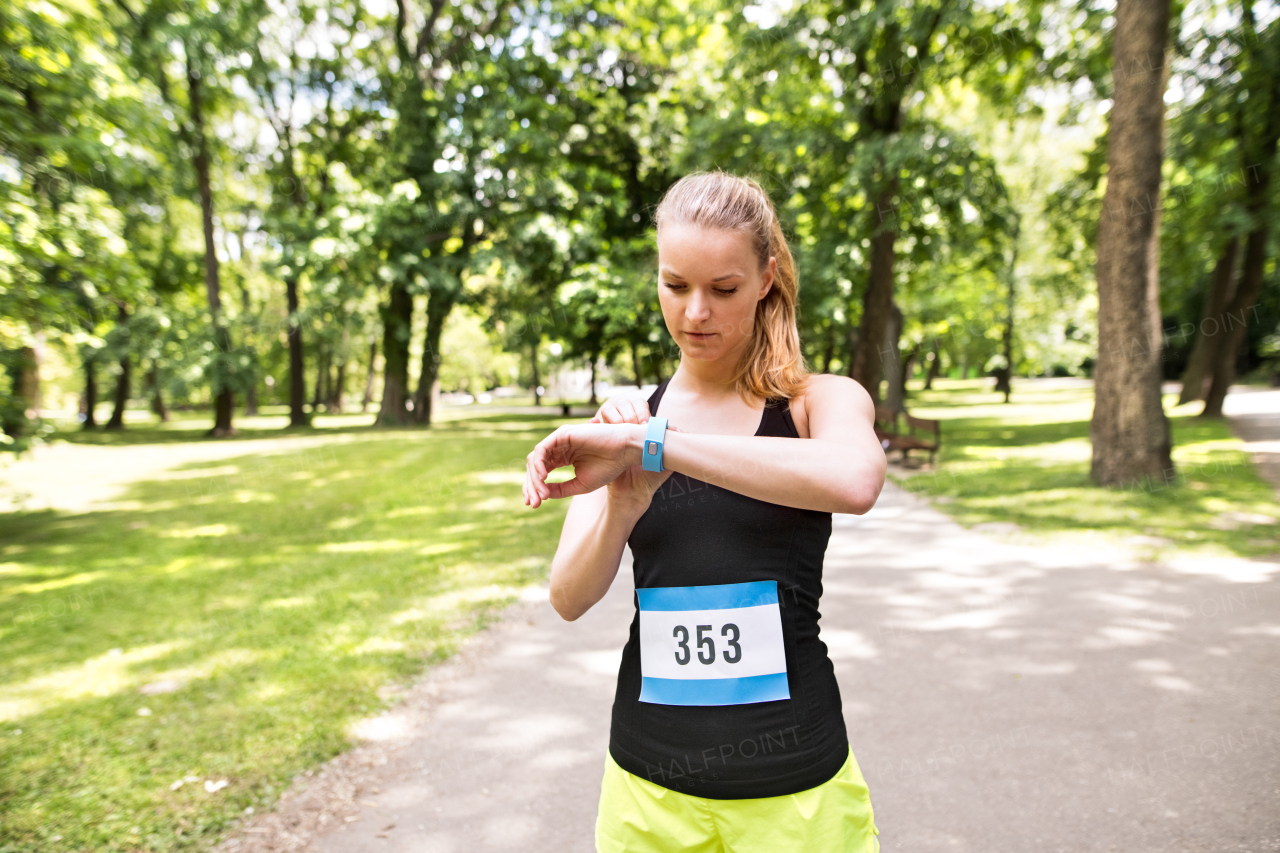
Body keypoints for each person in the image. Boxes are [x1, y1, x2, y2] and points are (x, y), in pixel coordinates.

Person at [522, 171, 887, 852]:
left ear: (765, 278)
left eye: (723, 289)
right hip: (648, 789)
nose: (695, 313)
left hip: (794, 792)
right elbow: (568, 597)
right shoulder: (626, 422)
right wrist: (624, 501)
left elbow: (857, 479)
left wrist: (660, 444)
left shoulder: (817, 401)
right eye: (674, 285)